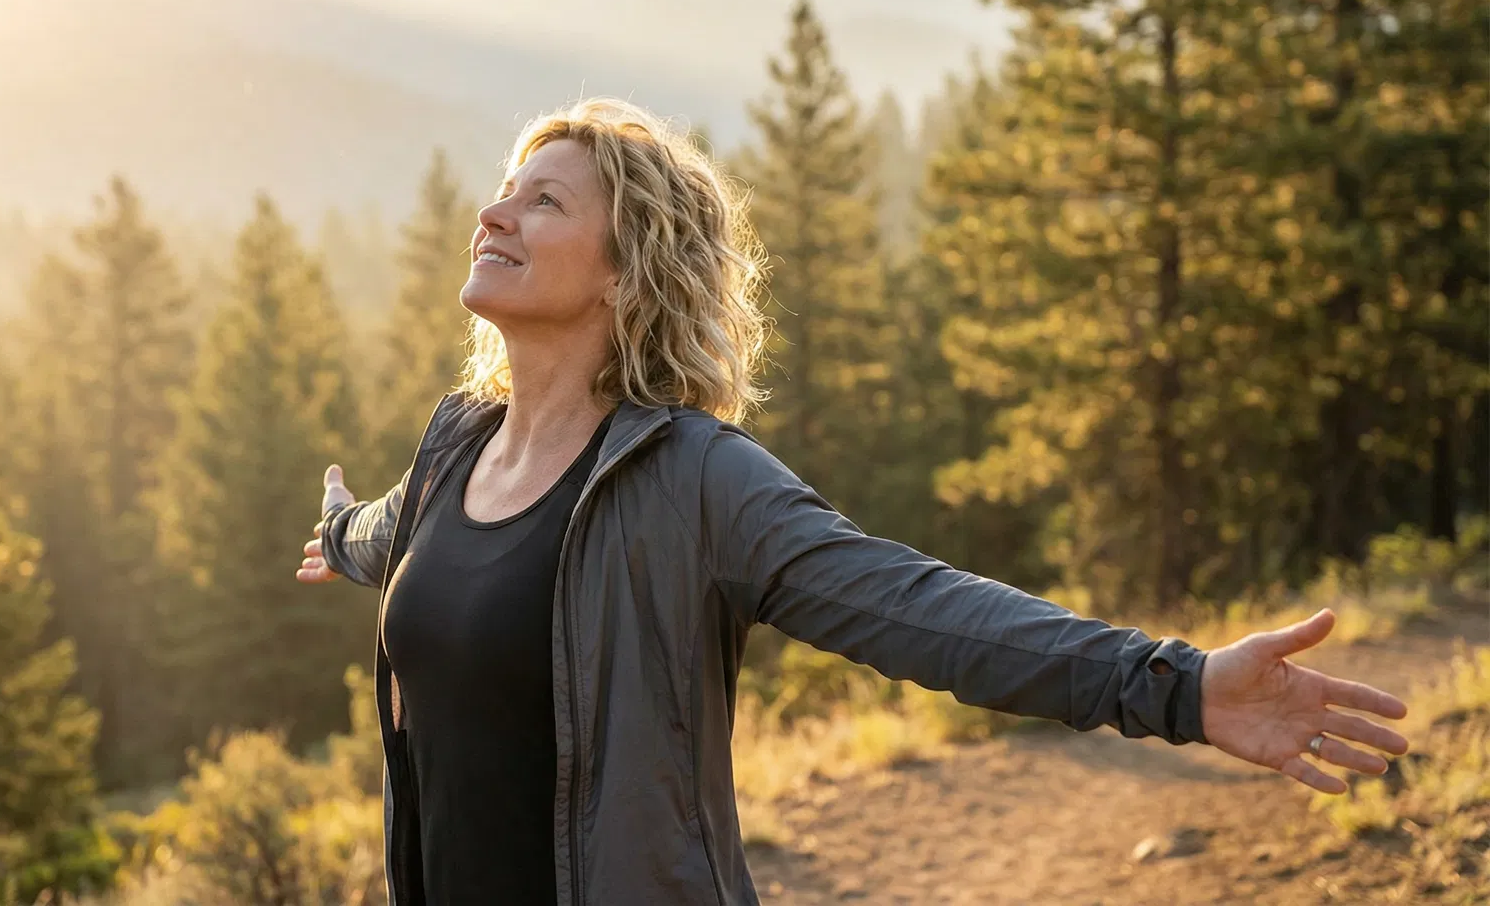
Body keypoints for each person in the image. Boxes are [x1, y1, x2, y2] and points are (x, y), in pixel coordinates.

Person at [294, 98, 1410, 906]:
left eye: (542, 201)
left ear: (629, 271)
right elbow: (391, 538)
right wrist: (342, 529)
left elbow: (916, 607)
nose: (495, 213)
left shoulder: (692, 480)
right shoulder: (455, 443)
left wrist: (1177, 687)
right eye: (504, 190)